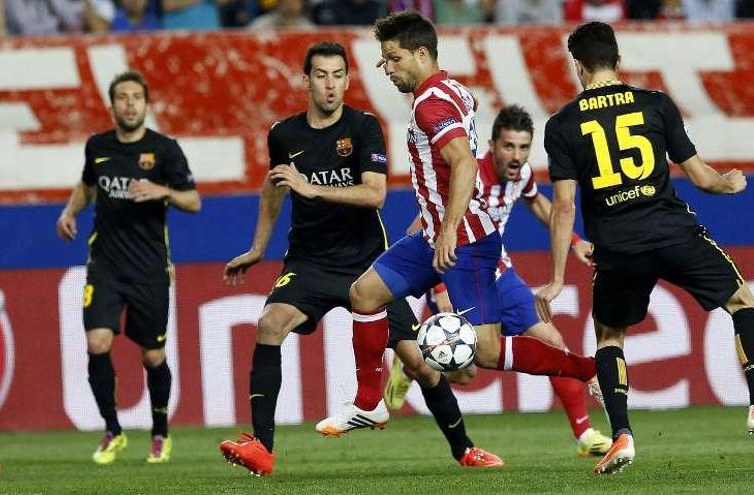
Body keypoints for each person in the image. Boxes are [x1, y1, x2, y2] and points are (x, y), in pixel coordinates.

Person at [218, 41, 504, 476]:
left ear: (348, 80)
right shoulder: (284, 134)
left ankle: (464, 448)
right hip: (309, 262)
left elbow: (375, 194)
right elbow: (274, 186)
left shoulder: (365, 127)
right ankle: (261, 446)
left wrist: (313, 189)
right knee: (269, 323)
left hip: (367, 264)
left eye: (338, 75)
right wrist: (258, 247)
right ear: (306, 80)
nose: (330, 85)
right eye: (320, 75)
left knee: (420, 364)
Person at [317, 10, 600, 440]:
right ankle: (369, 404)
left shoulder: (431, 105)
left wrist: (449, 227)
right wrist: (440, 228)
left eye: (392, 59)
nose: (386, 69)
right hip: (434, 236)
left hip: (464, 241)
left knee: (485, 353)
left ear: (421, 53)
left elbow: (464, 162)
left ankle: (589, 368)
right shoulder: (453, 89)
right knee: (364, 294)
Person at [536, 21, 754, 475]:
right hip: (672, 232)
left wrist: (558, 277)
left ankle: (622, 435)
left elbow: (562, 206)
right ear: (618, 61)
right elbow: (699, 176)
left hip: (618, 247)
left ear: (578, 66)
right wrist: (728, 183)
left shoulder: (562, 124)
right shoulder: (655, 104)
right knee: (741, 300)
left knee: (610, 337)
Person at [385, 105, 612, 457]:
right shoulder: (470, 178)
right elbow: (422, 229)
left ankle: (584, 435)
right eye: (509, 147)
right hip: (457, 272)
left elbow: (540, 207)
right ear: (491, 145)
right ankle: (414, 361)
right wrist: (438, 286)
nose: (517, 156)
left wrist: (575, 240)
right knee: (465, 373)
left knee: (552, 340)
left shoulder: (520, 176)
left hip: (499, 274)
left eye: (523, 147)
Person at [56, 70, 201, 465]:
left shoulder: (165, 150)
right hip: (104, 263)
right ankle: (112, 430)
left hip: (149, 268)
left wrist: (162, 191)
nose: (130, 103)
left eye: (137, 96)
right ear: (112, 105)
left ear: (146, 103)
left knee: (152, 355)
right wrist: (70, 211)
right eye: (122, 97)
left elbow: (193, 201)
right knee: (97, 342)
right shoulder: (98, 146)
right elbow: (88, 184)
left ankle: (160, 433)